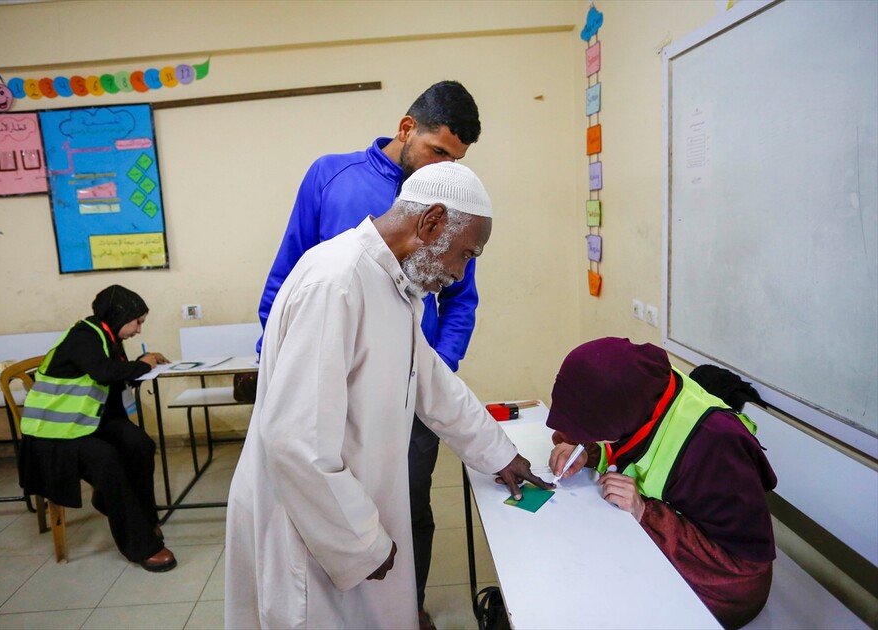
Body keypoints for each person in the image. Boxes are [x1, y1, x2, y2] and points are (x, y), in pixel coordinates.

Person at [225, 162, 550, 629]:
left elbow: (432, 382)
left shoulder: (390, 283)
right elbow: (295, 441)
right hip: (313, 526)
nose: (459, 273)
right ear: (432, 222)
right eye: (464, 254)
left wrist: (499, 453)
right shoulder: (336, 282)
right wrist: (360, 544)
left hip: (351, 510)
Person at [255, 80, 482, 628]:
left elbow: (458, 301)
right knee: (333, 507)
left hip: (408, 391)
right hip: (327, 385)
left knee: (406, 505)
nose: (442, 168)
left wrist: (427, 372)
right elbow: (286, 279)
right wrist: (281, 365)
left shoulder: (449, 207)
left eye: (454, 160)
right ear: (406, 128)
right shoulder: (332, 190)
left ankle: (406, 603)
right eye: (438, 151)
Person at [545, 337, 777, 629]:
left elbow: (742, 574)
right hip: (655, 545)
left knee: (589, 600)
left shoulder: (718, 446)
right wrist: (587, 452)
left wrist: (645, 512)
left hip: (723, 590)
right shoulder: (647, 387)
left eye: (592, 431)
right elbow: (633, 443)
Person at [18, 285, 176, 572]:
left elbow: (112, 377)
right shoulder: (84, 337)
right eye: (137, 322)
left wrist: (142, 365)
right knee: (108, 461)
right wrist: (142, 365)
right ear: (119, 316)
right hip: (54, 433)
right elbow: (104, 373)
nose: (138, 330)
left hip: (86, 421)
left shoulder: (107, 337)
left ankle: (141, 517)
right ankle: (140, 545)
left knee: (140, 445)